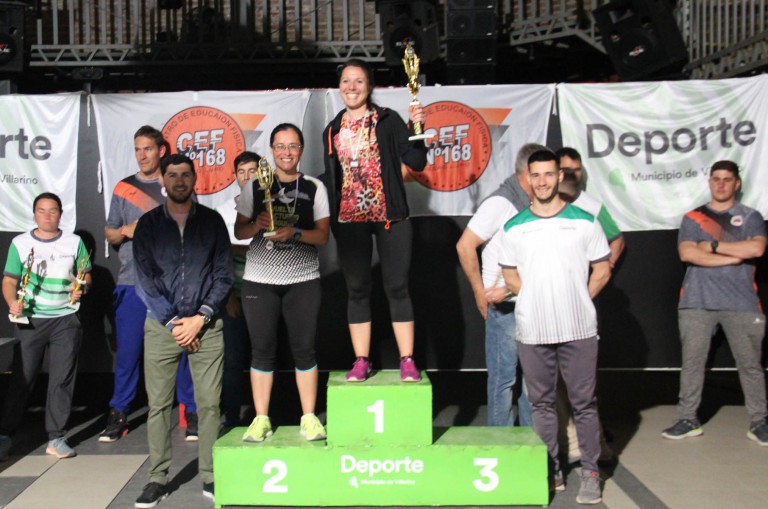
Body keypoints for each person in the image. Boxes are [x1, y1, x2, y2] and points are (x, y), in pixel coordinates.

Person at [499, 150, 611, 504]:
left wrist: (578, 298)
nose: (543, 181)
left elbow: (602, 269)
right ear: (528, 179)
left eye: (549, 174)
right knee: (542, 404)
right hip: (534, 331)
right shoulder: (513, 227)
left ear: (560, 176)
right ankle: (552, 471)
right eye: (536, 175)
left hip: (579, 330)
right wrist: (535, 298)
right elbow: (509, 275)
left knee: (584, 404)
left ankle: (591, 472)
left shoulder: (585, 221)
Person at [132, 154, 232, 507]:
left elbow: (224, 274)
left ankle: (211, 475)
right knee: (159, 405)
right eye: (172, 175)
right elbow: (144, 280)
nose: (178, 180)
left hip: (206, 325)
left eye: (185, 174)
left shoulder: (212, 221)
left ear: (194, 179)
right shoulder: (147, 225)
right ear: (162, 180)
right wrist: (174, 322)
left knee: (210, 405)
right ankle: (157, 479)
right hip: (163, 327)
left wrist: (201, 317)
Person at [321, 58, 428, 382]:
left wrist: (417, 129)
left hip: (390, 217)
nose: (351, 87)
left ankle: (407, 360)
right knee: (356, 289)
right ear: (339, 87)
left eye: (358, 81)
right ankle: (361, 360)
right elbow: (332, 177)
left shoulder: (388, 120)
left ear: (369, 86)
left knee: (397, 287)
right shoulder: (332, 129)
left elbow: (417, 162)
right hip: (349, 220)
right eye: (346, 81)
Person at [100, 125, 198, 443]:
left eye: (147, 149)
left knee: (183, 347)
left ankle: (191, 410)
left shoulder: (177, 185)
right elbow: (110, 233)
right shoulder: (124, 187)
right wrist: (126, 230)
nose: (142, 155)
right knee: (128, 353)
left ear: (161, 150)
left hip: (173, 285)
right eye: (137, 149)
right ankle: (119, 413)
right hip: (132, 283)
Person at [662, 160, 768, 445]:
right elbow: (688, 254)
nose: (721, 184)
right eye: (716, 179)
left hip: (742, 302)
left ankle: (759, 421)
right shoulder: (693, 218)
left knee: (750, 366)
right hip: (697, 302)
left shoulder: (750, 216)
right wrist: (733, 258)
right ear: (709, 182)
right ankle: (688, 419)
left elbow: (757, 248)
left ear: (737, 183)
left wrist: (714, 246)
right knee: (692, 364)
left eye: (727, 179)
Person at [235, 124, 330, 443]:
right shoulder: (255, 187)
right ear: (272, 151)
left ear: (301, 150)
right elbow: (239, 231)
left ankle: (309, 418)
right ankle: (261, 419)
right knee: (262, 351)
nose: (286, 152)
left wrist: (296, 233)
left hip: (303, 280)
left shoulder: (315, 187)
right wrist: (257, 224)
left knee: (304, 350)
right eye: (280, 146)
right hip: (260, 280)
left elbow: (323, 236)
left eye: (293, 146)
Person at [456, 143, 545, 427]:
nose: (545, 180)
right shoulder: (500, 203)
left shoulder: (540, 205)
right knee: (503, 380)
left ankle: (531, 443)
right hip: (505, 306)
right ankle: (502, 444)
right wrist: (479, 292)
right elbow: (465, 246)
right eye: (539, 173)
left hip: (534, 303)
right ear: (527, 173)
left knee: (534, 382)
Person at [0, 193, 91, 461]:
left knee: (62, 380)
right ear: (34, 214)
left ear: (61, 214)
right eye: (42, 211)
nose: (47, 216)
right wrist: (12, 302)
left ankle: (56, 438)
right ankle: (4, 435)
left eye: (53, 211)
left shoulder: (74, 242)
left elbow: (85, 276)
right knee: (22, 379)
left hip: (66, 319)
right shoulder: (20, 243)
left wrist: (82, 288)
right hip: (31, 319)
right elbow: (9, 280)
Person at [556, 147, 624, 464]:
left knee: (581, 381)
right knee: (552, 382)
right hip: (550, 301)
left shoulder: (590, 206)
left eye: (576, 170)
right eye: (565, 169)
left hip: (581, 303)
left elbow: (616, 240)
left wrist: (598, 273)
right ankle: (571, 443)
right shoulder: (542, 205)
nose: (571, 175)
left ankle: (596, 445)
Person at [218, 150, 260, 427]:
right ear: (234, 176)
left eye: (252, 171)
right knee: (232, 361)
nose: (246, 177)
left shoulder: (272, 208)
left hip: (264, 294)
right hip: (233, 296)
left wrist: (237, 248)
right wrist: (228, 296)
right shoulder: (222, 210)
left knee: (263, 358)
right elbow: (218, 256)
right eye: (241, 172)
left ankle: (264, 415)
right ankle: (231, 418)